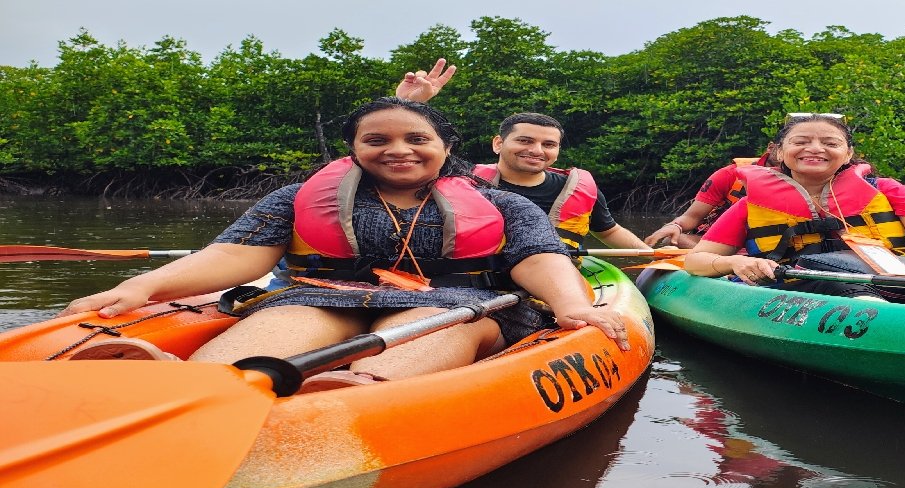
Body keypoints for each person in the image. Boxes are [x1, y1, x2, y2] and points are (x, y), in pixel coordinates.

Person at [61, 97, 630, 390]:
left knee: (441, 324)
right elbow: (235, 256)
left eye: (417, 138)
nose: (398, 149)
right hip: (322, 298)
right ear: (354, 147)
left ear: (445, 145)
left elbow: (540, 257)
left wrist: (573, 306)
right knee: (281, 322)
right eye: (376, 139)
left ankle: (351, 396)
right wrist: (140, 287)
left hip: (458, 305)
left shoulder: (505, 203)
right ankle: (190, 391)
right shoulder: (298, 196)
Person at [682, 114, 905, 309]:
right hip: (804, 285)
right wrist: (736, 261)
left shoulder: (887, 191)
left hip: (893, 278)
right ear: (779, 152)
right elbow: (696, 260)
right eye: (801, 141)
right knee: (847, 289)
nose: (815, 148)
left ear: (848, 153)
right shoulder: (752, 205)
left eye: (830, 143)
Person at [395, 61, 650, 252]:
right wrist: (405, 105)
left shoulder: (578, 188)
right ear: (498, 143)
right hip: (479, 277)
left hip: (554, 275)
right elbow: (400, 158)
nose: (537, 150)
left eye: (548, 144)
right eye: (525, 141)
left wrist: (651, 255)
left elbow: (609, 231)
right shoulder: (461, 179)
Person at [645, 145, 776, 248]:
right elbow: (691, 217)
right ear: (771, 147)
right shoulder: (729, 175)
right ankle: (718, 262)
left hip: (771, 245)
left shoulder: (795, 179)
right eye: (794, 143)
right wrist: (675, 225)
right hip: (719, 243)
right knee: (674, 239)